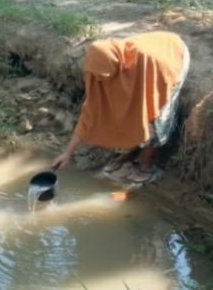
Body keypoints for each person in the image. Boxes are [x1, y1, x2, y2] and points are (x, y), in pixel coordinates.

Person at [52, 31, 190, 183]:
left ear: (116, 68)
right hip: (146, 63)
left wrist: (147, 120)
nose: (100, 82)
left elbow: (154, 106)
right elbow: (90, 112)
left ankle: (146, 165)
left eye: (104, 78)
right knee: (127, 112)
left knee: (157, 119)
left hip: (171, 62)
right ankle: (131, 151)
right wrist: (67, 153)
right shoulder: (100, 70)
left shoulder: (145, 64)